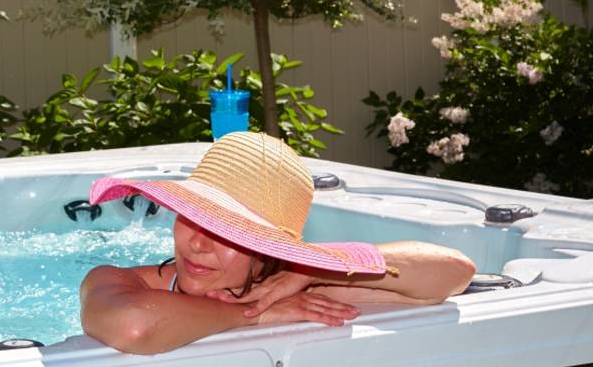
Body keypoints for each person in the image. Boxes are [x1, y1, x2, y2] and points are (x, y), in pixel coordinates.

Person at [80, 132, 476, 355]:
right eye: (192, 217)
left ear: (266, 248)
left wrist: (310, 268)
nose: (198, 243)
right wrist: (253, 314)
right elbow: (134, 325)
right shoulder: (120, 282)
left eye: (226, 232)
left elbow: (455, 271)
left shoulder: (306, 291)